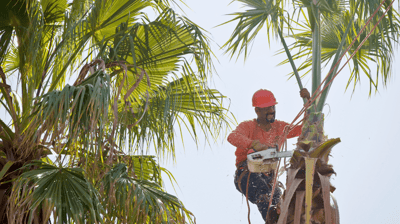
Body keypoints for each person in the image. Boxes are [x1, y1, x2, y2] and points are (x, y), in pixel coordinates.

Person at [227, 88, 310, 222]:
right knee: (262, 192)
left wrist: (308, 103)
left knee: (279, 201)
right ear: (257, 111)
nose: (271, 110)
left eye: (272, 107)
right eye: (267, 108)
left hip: (269, 178)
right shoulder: (248, 127)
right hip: (247, 174)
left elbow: (304, 128)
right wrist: (252, 143)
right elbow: (232, 137)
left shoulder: (280, 128)